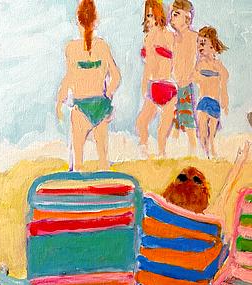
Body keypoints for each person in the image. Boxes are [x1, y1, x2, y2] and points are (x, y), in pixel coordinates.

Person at [56, 0, 121, 171]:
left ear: (78, 21)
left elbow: (69, 79)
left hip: (81, 107)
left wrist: (59, 102)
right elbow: (116, 76)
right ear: (95, 21)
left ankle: (77, 181)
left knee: (77, 163)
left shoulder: (71, 48)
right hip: (100, 104)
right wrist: (108, 95)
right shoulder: (103, 46)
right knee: (103, 161)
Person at [136, 0, 177, 159]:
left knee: (148, 125)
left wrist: (144, 87)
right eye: (147, 16)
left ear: (160, 15)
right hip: (164, 85)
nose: (149, 19)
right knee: (150, 126)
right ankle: (154, 153)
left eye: (152, 15)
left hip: (161, 85)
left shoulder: (154, 36)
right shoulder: (168, 36)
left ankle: (151, 153)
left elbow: (150, 67)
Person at [194, 26, 229, 159]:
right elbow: (194, 77)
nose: (200, 47)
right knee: (202, 130)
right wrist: (199, 77)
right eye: (198, 43)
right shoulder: (199, 64)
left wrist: (225, 101)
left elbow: (224, 82)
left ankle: (212, 151)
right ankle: (205, 153)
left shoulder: (217, 65)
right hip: (203, 101)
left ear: (212, 47)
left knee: (212, 132)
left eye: (203, 43)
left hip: (215, 102)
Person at [170, 0, 198, 156]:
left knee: (187, 118)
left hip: (186, 84)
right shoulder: (172, 38)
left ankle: (193, 151)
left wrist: (189, 77)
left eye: (176, 14)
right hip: (175, 84)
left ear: (187, 18)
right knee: (175, 118)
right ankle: (173, 151)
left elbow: (198, 62)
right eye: (172, 14)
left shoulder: (193, 37)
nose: (171, 18)